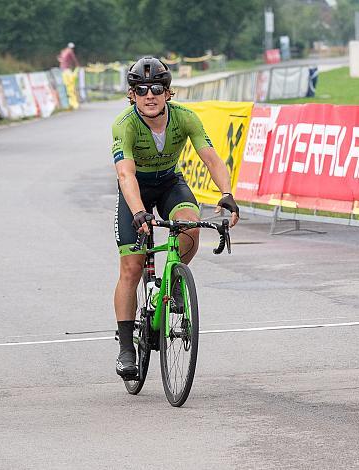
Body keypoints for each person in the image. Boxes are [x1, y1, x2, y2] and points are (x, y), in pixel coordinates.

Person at [111, 57, 240, 378]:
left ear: (169, 93)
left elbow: (210, 157)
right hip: (136, 189)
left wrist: (227, 193)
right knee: (131, 266)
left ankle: (175, 283)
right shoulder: (124, 124)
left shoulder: (186, 118)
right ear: (132, 94)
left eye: (157, 88)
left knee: (190, 225)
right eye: (141, 90)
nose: (149, 95)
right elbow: (126, 175)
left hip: (170, 183)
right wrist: (138, 211)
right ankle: (127, 347)